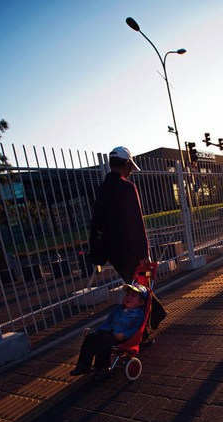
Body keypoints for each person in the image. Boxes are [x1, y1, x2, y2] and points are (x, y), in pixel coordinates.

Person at [89, 146, 166, 339]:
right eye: (130, 167)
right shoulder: (127, 187)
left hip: (114, 253)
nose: (131, 171)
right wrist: (143, 253)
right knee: (141, 292)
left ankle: (152, 320)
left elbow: (97, 222)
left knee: (137, 288)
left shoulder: (102, 189)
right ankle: (146, 328)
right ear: (124, 165)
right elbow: (136, 223)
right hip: (133, 251)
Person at [70, 282, 148, 379]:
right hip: (107, 333)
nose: (129, 297)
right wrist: (97, 330)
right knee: (90, 338)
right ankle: (83, 365)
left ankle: (102, 368)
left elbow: (136, 329)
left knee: (103, 341)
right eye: (127, 295)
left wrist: (124, 335)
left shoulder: (139, 315)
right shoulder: (118, 309)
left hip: (120, 337)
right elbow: (107, 322)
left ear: (141, 302)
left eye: (133, 296)